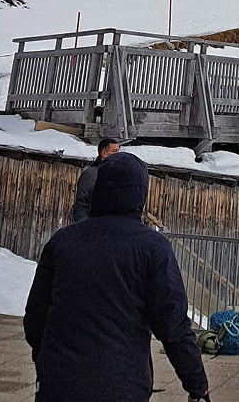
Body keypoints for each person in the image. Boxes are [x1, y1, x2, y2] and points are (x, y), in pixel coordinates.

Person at [24, 152, 210, 402]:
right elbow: (173, 327)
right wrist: (197, 385)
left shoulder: (62, 241)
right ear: (140, 194)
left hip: (58, 383)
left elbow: (35, 319)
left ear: (99, 189)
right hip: (122, 384)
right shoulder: (151, 248)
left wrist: (48, 361)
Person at [70, 136, 119, 222]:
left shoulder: (116, 175)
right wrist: (85, 228)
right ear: (104, 153)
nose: (118, 155)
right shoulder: (90, 175)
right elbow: (81, 205)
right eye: (115, 151)